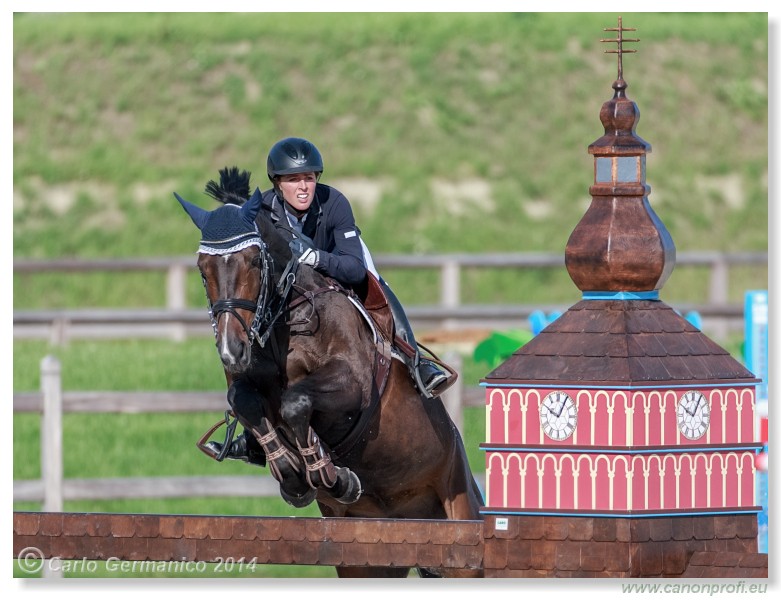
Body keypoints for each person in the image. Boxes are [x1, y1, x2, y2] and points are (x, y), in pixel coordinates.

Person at [213, 137, 449, 465]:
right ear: (277, 183)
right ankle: (252, 436)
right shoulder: (263, 210)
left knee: (376, 282)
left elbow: (353, 268)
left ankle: (415, 360)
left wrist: (317, 258)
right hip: (291, 288)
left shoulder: (334, 202)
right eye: (293, 179)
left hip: (338, 270)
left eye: (309, 178)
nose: (303, 186)